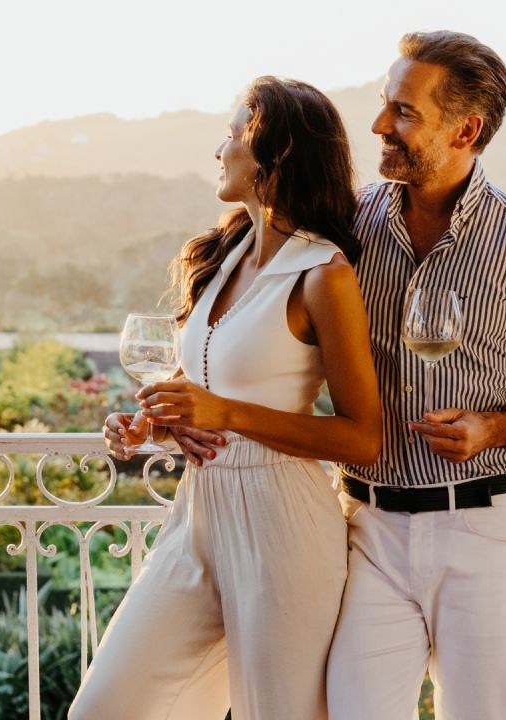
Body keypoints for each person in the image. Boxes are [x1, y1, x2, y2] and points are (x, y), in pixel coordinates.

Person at [68, 76, 383, 720]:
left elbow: (363, 439)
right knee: (106, 709)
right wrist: (154, 425)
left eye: (233, 134)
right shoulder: (220, 255)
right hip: (198, 516)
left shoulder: (324, 275)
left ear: (275, 154)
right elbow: (208, 395)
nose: (219, 149)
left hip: (283, 527)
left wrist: (225, 414)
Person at [319, 31, 506, 719]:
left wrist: (494, 428)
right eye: (385, 104)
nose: (379, 124)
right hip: (367, 528)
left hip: (482, 532)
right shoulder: (346, 225)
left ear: (466, 129)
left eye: (404, 112)